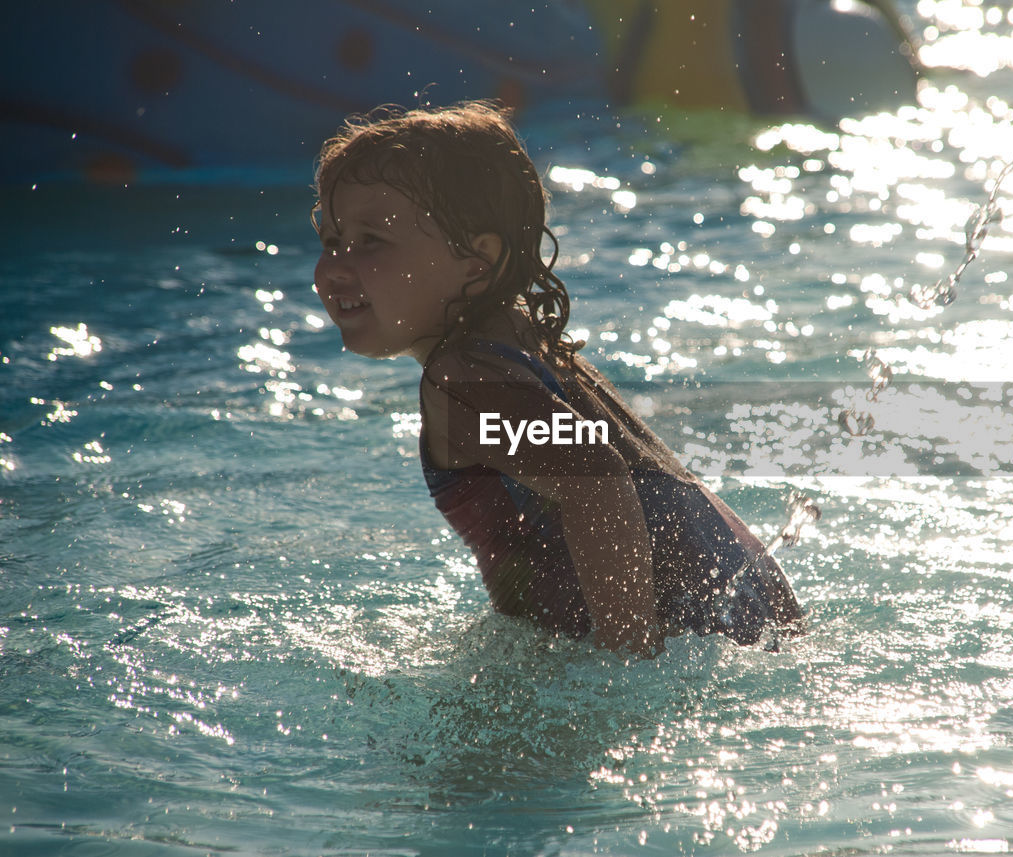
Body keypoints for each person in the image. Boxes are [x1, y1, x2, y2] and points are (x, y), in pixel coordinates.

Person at [311, 100, 804, 656]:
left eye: (370, 241)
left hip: (690, 633)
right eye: (331, 241)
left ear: (476, 261)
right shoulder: (524, 344)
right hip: (748, 606)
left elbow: (595, 477)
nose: (334, 268)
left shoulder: (462, 382)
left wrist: (626, 662)